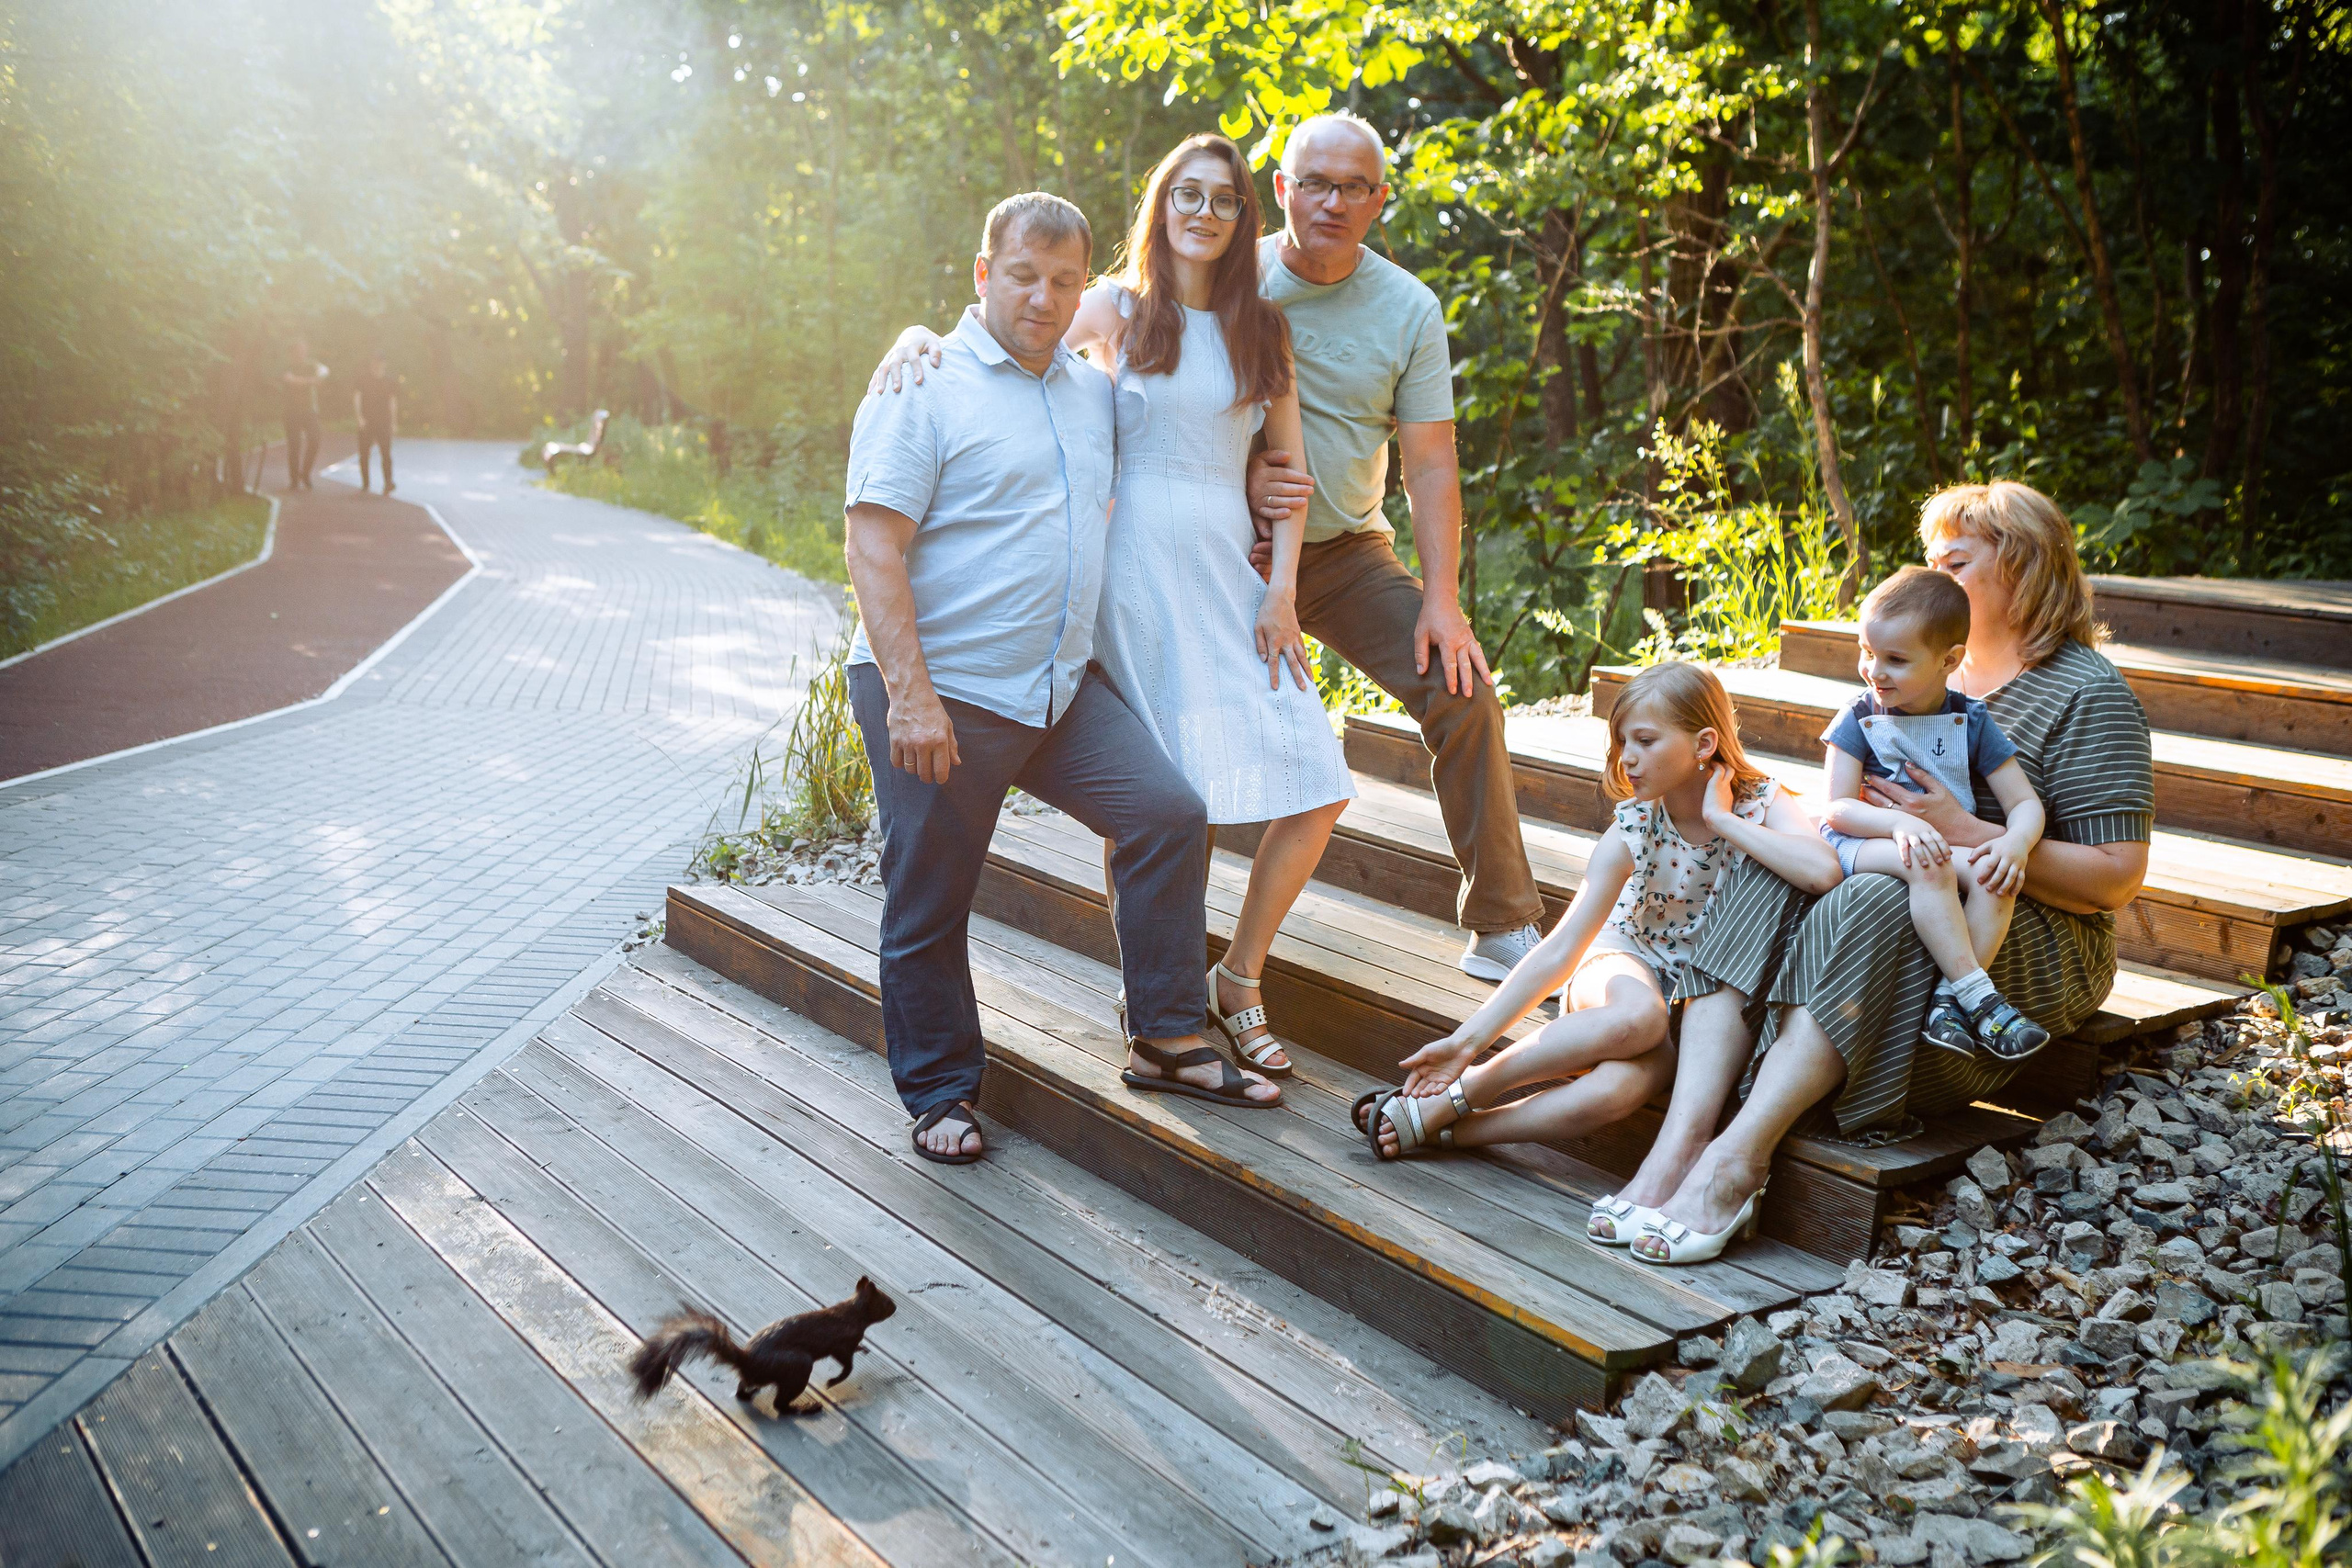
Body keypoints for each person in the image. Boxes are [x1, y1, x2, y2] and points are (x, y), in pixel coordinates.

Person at [877, 112, 1549, 987]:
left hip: (1321, 552)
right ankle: (1163, 990)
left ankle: (1477, 924)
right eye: (1315, 182)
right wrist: (918, 338)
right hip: (1170, 561)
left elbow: (1421, 462)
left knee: (1424, 704)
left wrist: (1439, 596)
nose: (1332, 201)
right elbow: (1026, 325)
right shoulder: (1173, 286)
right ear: (1282, 193)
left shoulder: (1367, 310)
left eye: (1353, 187)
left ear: (1378, 201)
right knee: (1164, 779)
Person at [842, 189, 1282, 1168]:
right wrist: (910, 696)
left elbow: (1180, 454)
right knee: (931, 896)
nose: (1042, 298)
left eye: (1063, 281)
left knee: (1166, 813)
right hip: (943, 692)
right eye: (1022, 276)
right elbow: (872, 543)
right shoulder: (925, 381)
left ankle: (1168, 1037)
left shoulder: (1092, 392)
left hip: (1056, 689)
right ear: (981, 274)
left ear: (1084, 287)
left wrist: (1263, 483)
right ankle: (941, 1090)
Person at [1619, 482, 2153, 1266]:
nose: (1930, 572)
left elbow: (2115, 878)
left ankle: (1738, 1162)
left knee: (1876, 887)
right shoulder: (1913, 679)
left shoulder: (2087, 693)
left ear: (2025, 567)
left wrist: (1963, 829)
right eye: (1929, 556)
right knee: (1781, 863)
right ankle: (1680, 1142)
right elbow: (1848, 807)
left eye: (1955, 560)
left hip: (2021, 926)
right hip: (1915, 882)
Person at [1351, 665, 1838, 1204]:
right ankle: (1461, 1095)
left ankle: (1453, 1131)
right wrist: (1466, 1045)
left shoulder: (1760, 803)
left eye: (1646, 741)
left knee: (1620, 1089)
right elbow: (1561, 948)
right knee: (1639, 1017)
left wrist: (1724, 822)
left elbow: (1823, 872)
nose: (1627, 757)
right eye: (1622, 740)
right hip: (1623, 962)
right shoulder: (1635, 826)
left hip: (1703, 998)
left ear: (1705, 742)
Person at [1819, 566, 2049, 1063]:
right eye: (1867, 653)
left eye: (1895, 660)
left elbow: (2025, 803)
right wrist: (1901, 822)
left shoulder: (1972, 722)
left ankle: (1949, 1001)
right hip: (1866, 840)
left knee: (1995, 876)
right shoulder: (1859, 716)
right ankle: (1981, 998)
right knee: (1930, 863)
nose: (1875, 672)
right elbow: (1836, 810)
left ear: (1949, 660)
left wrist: (2014, 844)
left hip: (1939, 845)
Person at [280, 339, 328, 491]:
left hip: (309, 411)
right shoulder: (287, 366)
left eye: (304, 350)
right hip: (291, 411)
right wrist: (310, 381)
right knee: (294, 445)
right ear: (293, 353)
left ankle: (305, 473)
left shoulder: (311, 365)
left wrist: (314, 379)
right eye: (299, 350)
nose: (302, 353)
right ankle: (294, 480)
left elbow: (324, 373)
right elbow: (290, 380)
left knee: (315, 440)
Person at [354, 352, 398, 495]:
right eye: (375, 362)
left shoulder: (389, 381)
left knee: (386, 453)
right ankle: (365, 483)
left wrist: (393, 421)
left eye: (380, 362)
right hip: (367, 421)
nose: (377, 365)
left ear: (384, 364)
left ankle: (388, 482)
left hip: (384, 421)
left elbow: (392, 401)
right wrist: (359, 417)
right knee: (364, 453)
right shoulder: (363, 380)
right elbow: (357, 397)